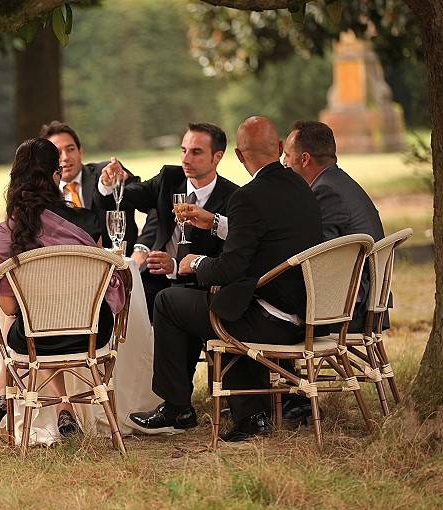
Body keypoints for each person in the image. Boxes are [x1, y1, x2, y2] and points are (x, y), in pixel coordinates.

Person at [127, 116, 323, 441]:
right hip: (305, 312)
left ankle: (177, 408)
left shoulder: (248, 196)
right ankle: (251, 414)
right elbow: (266, 234)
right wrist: (216, 222)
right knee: (209, 304)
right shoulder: (299, 186)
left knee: (170, 301)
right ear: (277, 148)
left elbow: (229, 267)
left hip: (268, 319)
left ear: (239, 156)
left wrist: (193, 263)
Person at [0, 138, 125, 435]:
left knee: (25, 321)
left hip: (35, 340)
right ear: (56, 175)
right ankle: (64, 406)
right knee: (40, 320)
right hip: (93, 333)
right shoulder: (87, 222)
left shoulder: (5, 234)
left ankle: (9, 391)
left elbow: (7, 307)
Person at [281, 119, 387, 424]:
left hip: (352, 308)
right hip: (364, 298)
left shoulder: (326, 192)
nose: (285, 164)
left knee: (270, 309)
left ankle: (288, 400)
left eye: (287, 157)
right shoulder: (338, 182)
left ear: (304, 159)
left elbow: (321, 258)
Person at [97, 123, 238, 319]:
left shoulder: (233, 197)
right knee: (118, 304)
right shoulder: (169, 178)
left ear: (218, 157)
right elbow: (120, 199)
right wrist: (108, 184)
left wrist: (175, 266)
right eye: (183, 150)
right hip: (156, 277)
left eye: (196, 152)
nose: (186, 159)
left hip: (200, 285)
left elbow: (225, 262)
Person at [39, 121, 140, 255]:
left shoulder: (107, 172)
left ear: (80, 151)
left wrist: (142, 249)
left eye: (70, 149)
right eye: (57, 153)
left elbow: (146, 195)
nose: (65, 158)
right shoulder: (43, 193)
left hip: (117, 263)